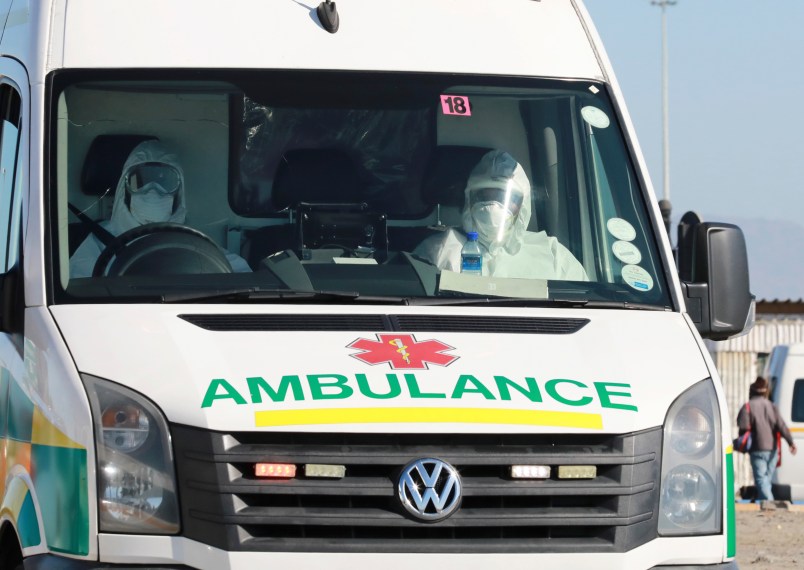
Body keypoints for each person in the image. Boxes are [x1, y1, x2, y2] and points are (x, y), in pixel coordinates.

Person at [70, 140, 251, 277]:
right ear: (124, 189)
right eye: (140, 182)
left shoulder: (192, 239)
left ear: (179, 190)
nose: (153, 191)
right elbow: (78, 284)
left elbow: (236, 273)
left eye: (165, 181)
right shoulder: (100, 240)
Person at [413, 149, 587, 280]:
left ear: (522, 205)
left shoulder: (553, 254)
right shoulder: (438, 250)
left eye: (505, 197)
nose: (494, 206)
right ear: (470, 200)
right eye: (485, 195)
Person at [737, 376, 797, 503]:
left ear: (751, 392)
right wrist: (790, 442)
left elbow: (742, 426)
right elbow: (781, 425)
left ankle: (770, 503)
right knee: (766, 479)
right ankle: (762, 502)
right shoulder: (772, 406)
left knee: (760, 479)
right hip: (773, 450)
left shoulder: (748, 407)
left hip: (757, 448)